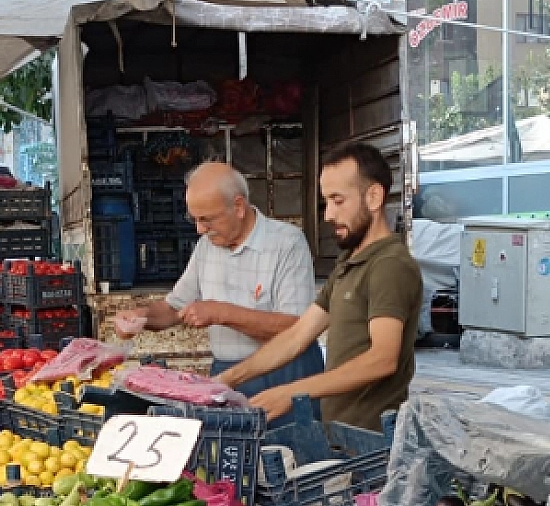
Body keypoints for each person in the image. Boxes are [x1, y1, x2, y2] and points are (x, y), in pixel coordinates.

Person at [217, 141, 421, 430]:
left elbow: (382, 359)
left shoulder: (389, 265)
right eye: (327, 202)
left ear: (374, 197)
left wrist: (291, 393)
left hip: (373, 442)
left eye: (338, 201)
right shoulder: (349, 262)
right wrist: (227, 379)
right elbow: (299, 334)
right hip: (339, 433)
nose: (328, 215)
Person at [113, 162, 320, 397]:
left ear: (239, 206)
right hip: (228, 371)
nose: (200, 230)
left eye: (207, 219)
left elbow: (296, 329)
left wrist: (221, 313)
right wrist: (142, 316)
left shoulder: (287, 243)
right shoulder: (206, 246)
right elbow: (174, 308)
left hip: (285, 373)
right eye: (195, 220)